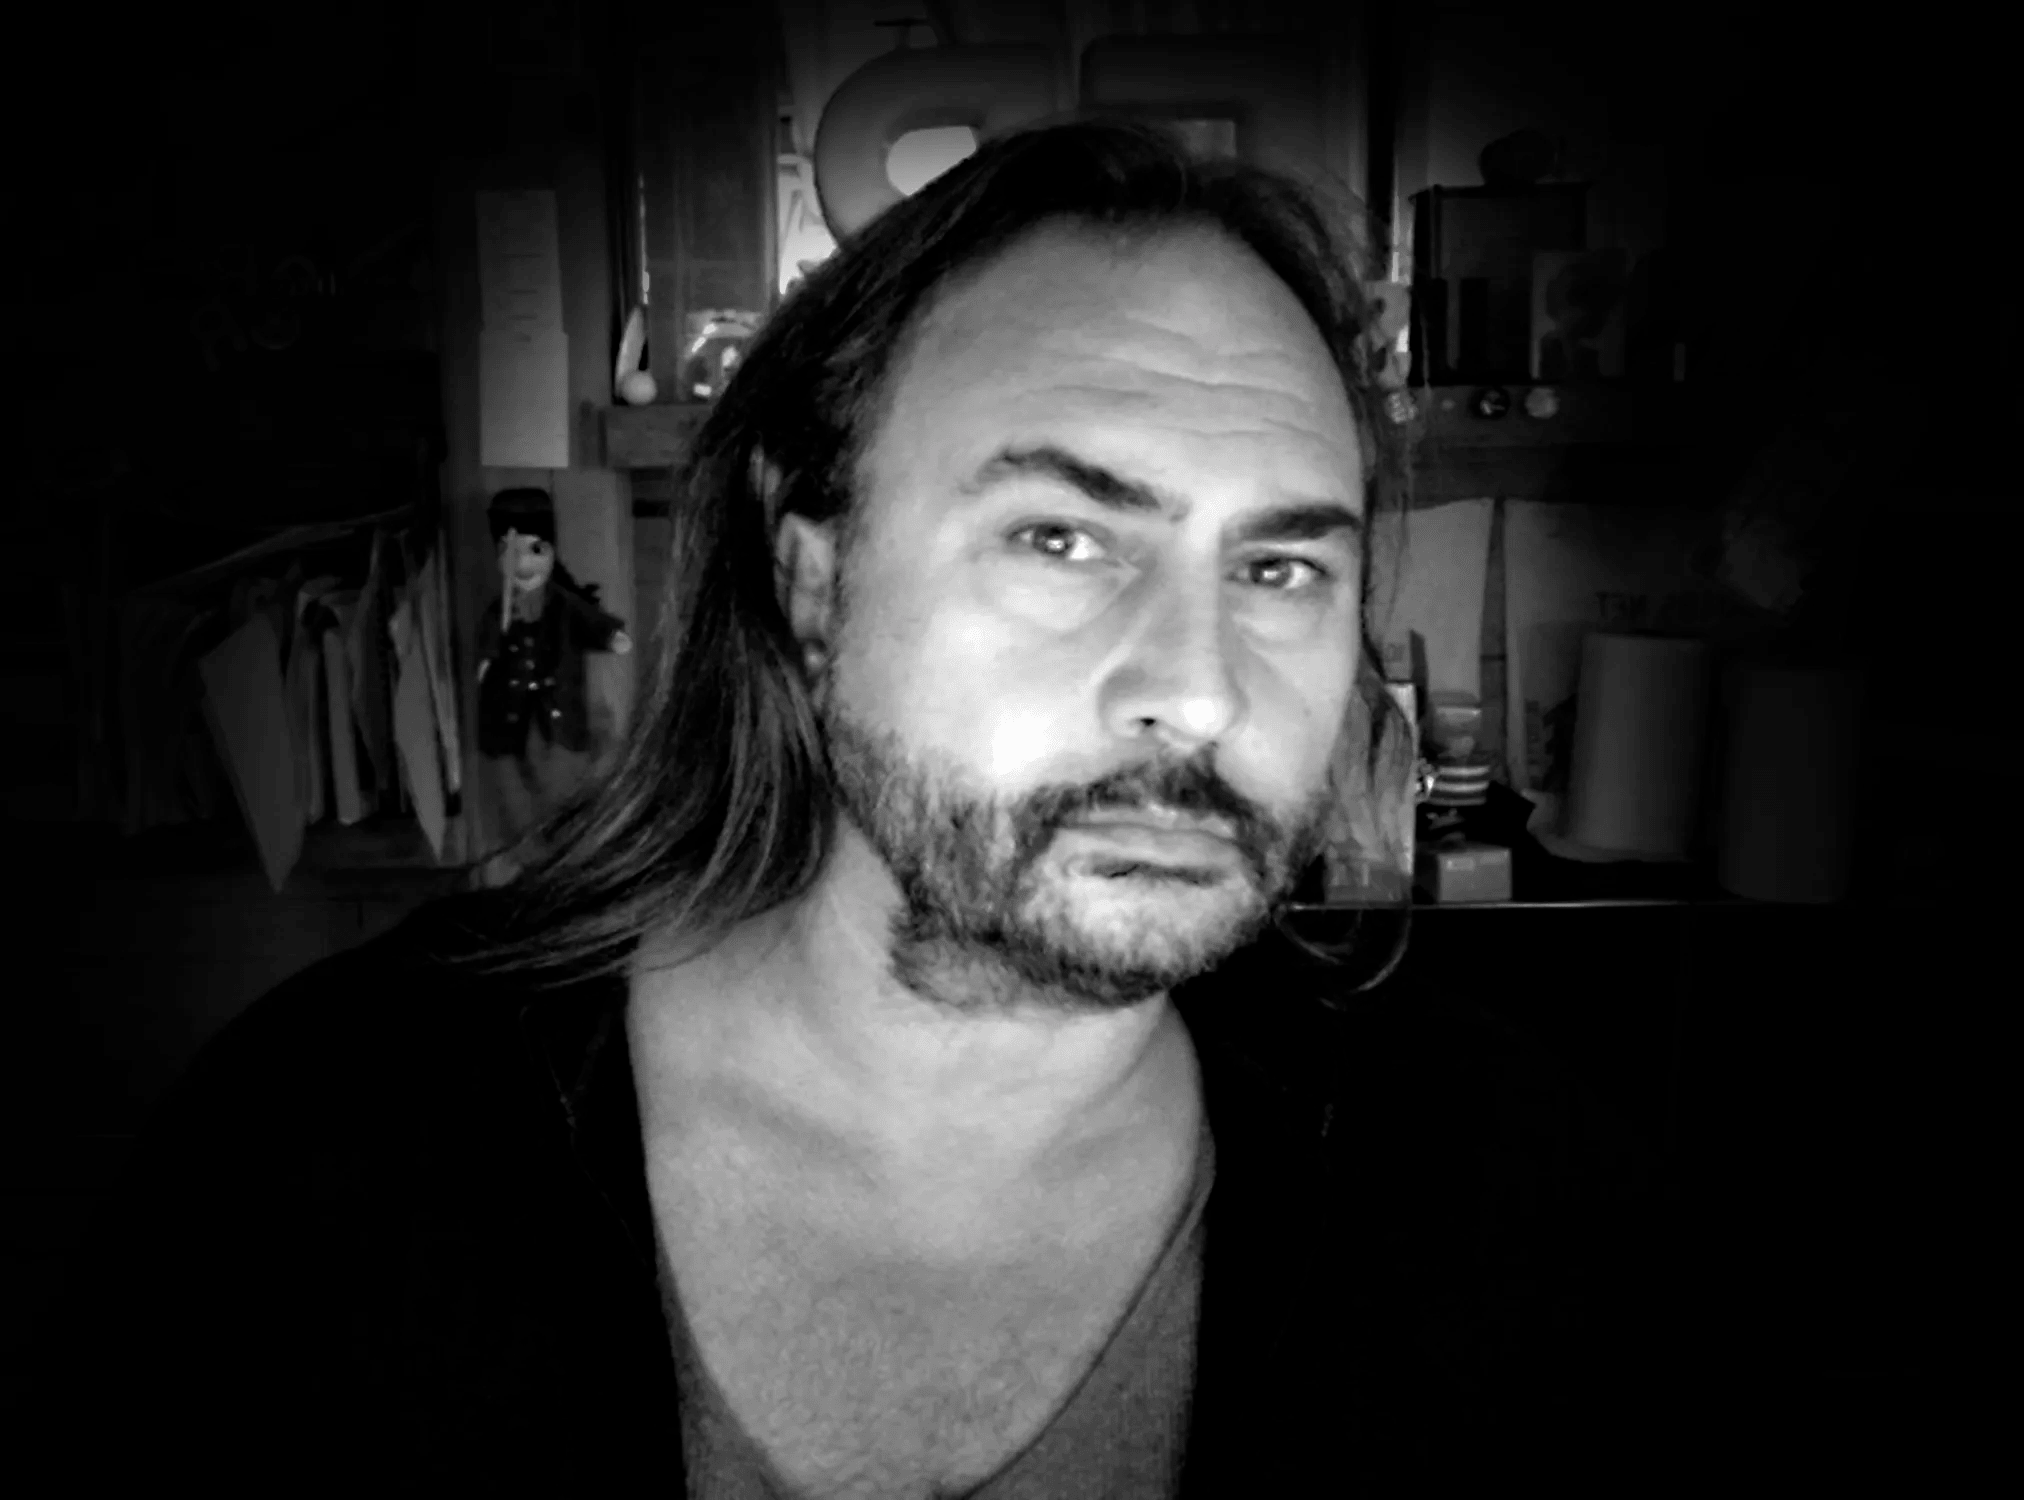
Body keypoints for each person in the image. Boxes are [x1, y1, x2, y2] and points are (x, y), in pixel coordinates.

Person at [34, 120, 1677, 1493]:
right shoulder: (319, 1169)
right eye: (1060, 538)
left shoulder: (1509, 1201)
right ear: (812, 578)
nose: (1200, 690)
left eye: (1280, 569)